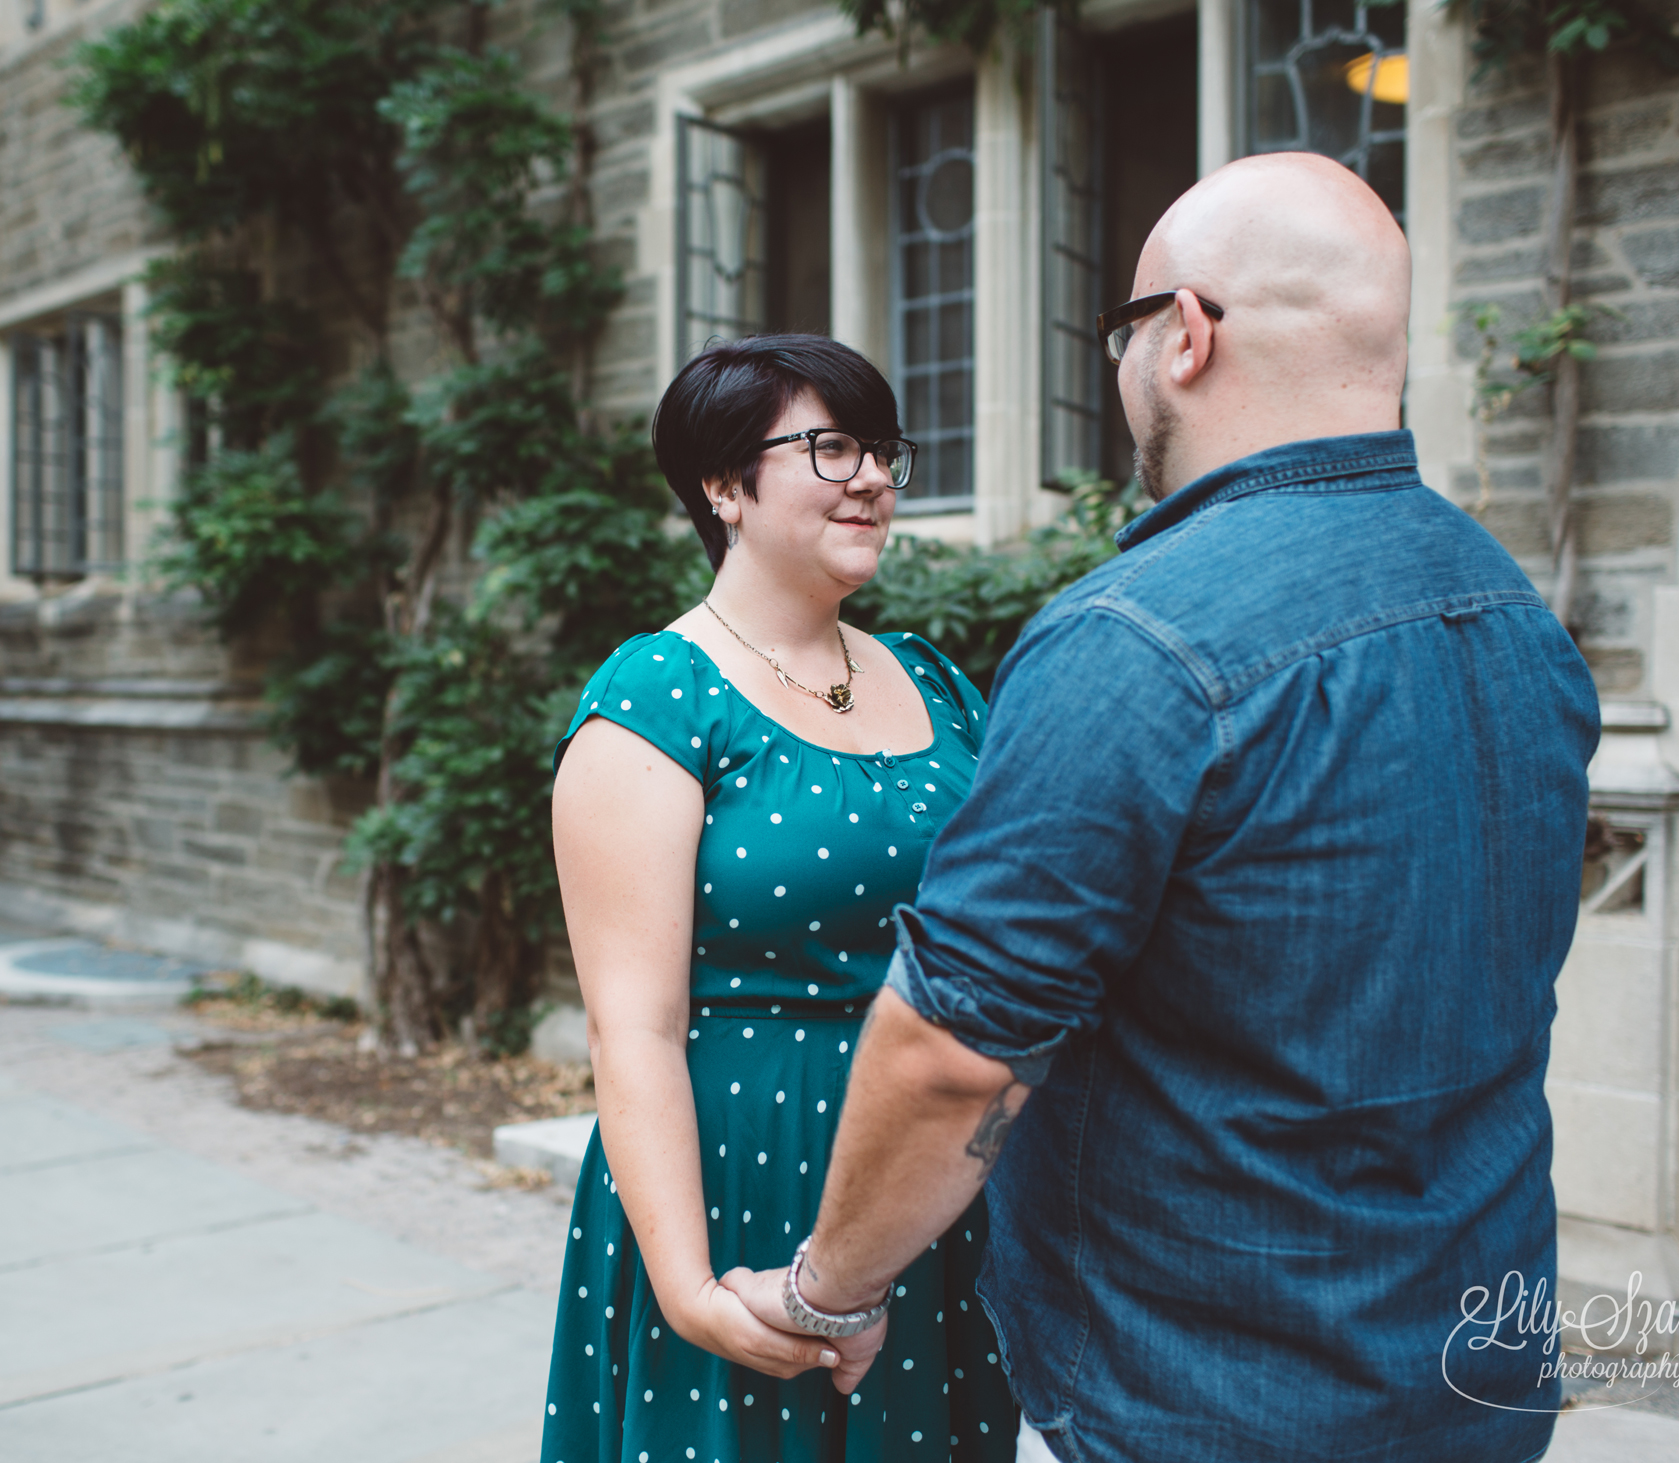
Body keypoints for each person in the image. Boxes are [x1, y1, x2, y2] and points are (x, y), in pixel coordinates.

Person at [727, 154, 1602, 1463]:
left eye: (1122, 333)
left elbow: (952, 1050)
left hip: (1206, 1398)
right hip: (1475, 1377)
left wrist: (826, 1289)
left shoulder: (1134, 641)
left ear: (1182, 335)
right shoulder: (1514, 611)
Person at [538, 335, 1018, 1463]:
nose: (868, 478)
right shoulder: (658, 694)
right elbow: (633, 1025)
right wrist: (692, 1289)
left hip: (923, 1186)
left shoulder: (936, 679)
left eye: (880, 451)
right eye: (830, 446)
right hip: (739, 1181)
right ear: (722, 484)